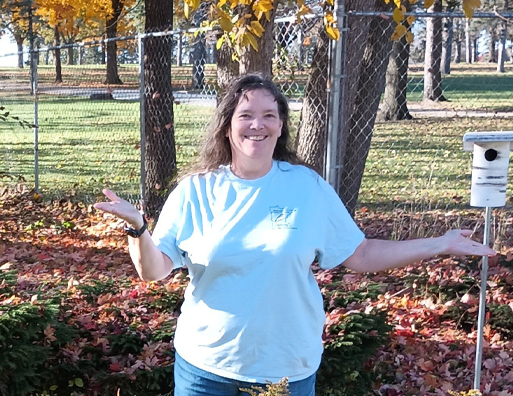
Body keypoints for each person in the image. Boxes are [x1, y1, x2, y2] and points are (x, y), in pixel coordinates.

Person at [93, 74, 494, 396]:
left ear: (281, 125)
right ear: (227, 125)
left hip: (287, 369)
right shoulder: (196, 191)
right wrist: (137, 228)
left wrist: (439, 243)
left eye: (269, 115)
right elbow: (154, 270)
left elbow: (361, 254)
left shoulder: (307, 187)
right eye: (246, 114)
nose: (257, 124)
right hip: (206, 369)